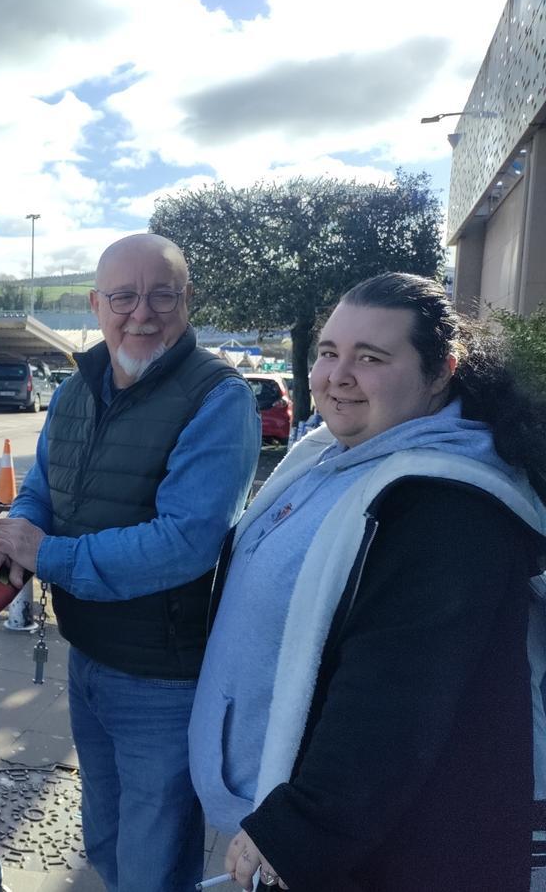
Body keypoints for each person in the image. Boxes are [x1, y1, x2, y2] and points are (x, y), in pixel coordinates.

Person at [189, 272, 546, 891]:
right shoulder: (332, 453)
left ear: (441, 372)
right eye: (328, 352)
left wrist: (301, 827)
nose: (336, 375)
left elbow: (397, 695)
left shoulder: (448, 508)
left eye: (371, 357)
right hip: (296, 803)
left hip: (382, 845)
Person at [0, 232, 261, 892]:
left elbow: (185, 541)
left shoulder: (218, 397)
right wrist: (6, 534)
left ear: (187, 302)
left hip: (162, 678)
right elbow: (42, 486)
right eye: (124, 296)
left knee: (153, 858)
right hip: (89, 655)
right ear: (96, 303)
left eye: (163, 295)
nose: (142, 312)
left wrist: (44, 554)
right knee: (105, 836)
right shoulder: (76, 390)